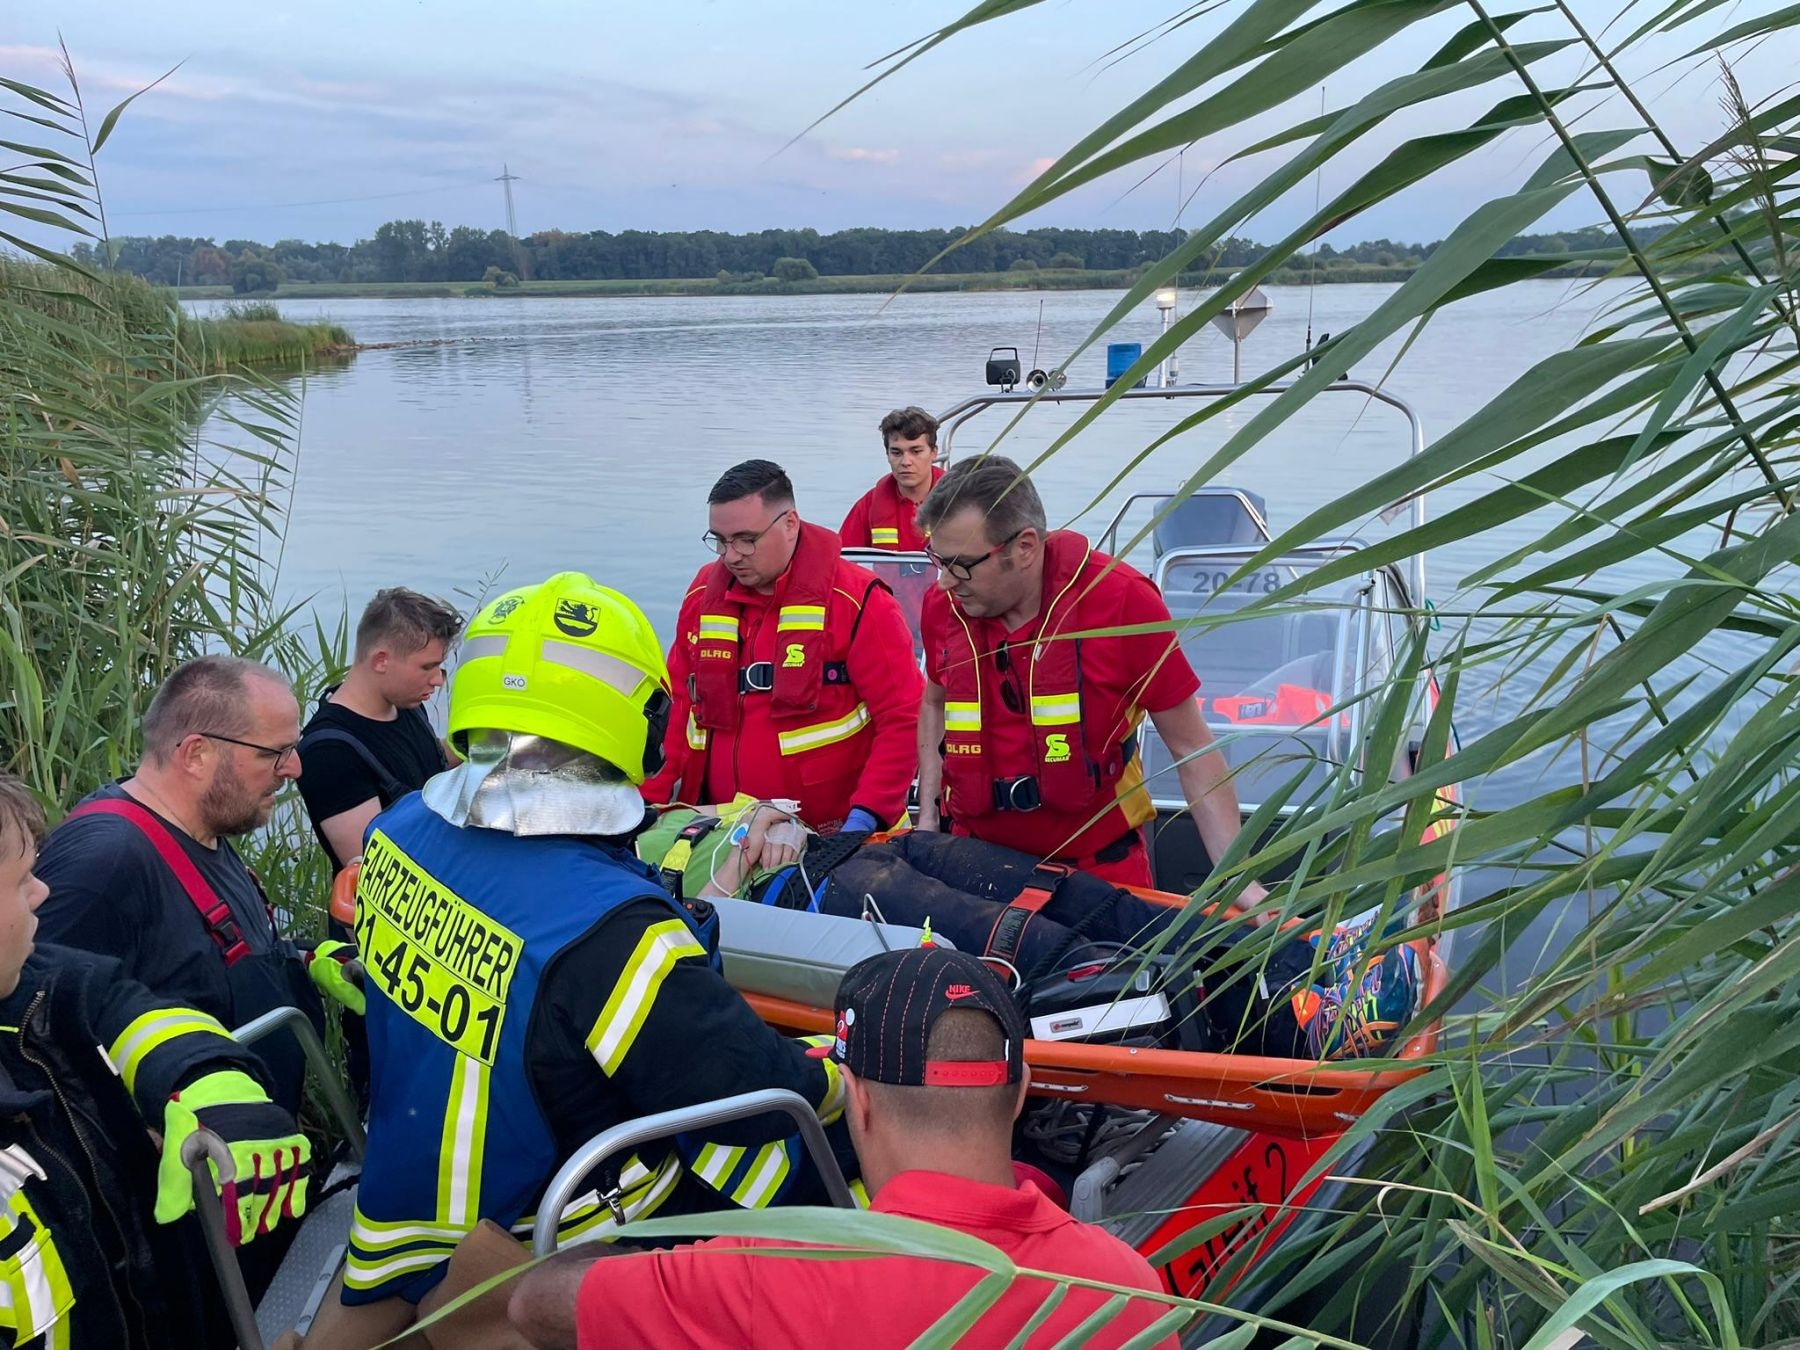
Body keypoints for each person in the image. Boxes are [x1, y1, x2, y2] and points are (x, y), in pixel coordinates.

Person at [341, 571, 847, 1315]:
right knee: (800, 1152)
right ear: (635, 723)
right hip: (541, 1231)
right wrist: (841, 1077)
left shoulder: (401, 830)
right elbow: (751, 1102)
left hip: (405, 1199)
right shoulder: (611, 935)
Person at [508, 946, 1181, 1349]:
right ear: (1020, 1088)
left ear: (854, 1096)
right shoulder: (1128, 1287)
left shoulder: (767, 1274)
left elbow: (534, 1306)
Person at [640, 801, 1420, 1061]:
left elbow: (756, 808)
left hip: (858, 851)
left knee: (1081, 897)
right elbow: (699, 923)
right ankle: (1295, 1027)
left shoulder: (644, 809)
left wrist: (767, 816)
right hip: (812, 902)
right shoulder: (612, 882)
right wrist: (743, 856)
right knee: (1039, 949)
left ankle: (1305, 957)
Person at [0, 771, 311, 1350]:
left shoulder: (32, 986)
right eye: (21, 881)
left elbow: (121, 1004)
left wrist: (209, 1080)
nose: (42, 892)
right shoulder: (105, 861)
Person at [914, 456, 1270, 904]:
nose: (945, 581)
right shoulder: (943, 606)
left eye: (961, 565)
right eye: (938, 560)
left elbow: (1191, 747)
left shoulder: (1123, 603)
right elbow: (934, 702)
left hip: (1098, 872)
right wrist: (927, 817)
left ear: (1024, 547)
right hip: (973, 863)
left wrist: (1233, 873)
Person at [32, 656, 345, 1117]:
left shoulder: (202, 825)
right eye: (273, 753)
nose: (294, 768)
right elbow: (39, 1037)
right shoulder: (104, 863)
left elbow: (189, 963)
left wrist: (301, 959)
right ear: (196, 754)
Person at [642, 460, 922, 835]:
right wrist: (646, 806)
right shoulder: (702, 595)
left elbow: (904, 718)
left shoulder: (858, 601)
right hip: (718, 827)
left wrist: (864, 819)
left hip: (830, 832)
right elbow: (676, 705)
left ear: (790, 524)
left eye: (746, 539)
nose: (731, 556)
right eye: (720, 541)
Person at [297, 587, 462, 874]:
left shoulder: (406, 705)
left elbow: (426, 765)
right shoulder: (329, 753)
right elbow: (379, 870)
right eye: (428, 667)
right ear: (381, 660)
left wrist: (482, 743)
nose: (438, 680)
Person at [838, 406, 946, 551]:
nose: (906, 462)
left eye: (916, 451)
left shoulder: (960, 501)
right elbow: (843, 560)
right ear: (887, 455)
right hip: (884, 575)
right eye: (896, 453)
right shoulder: (867, 506)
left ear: (934, 453)